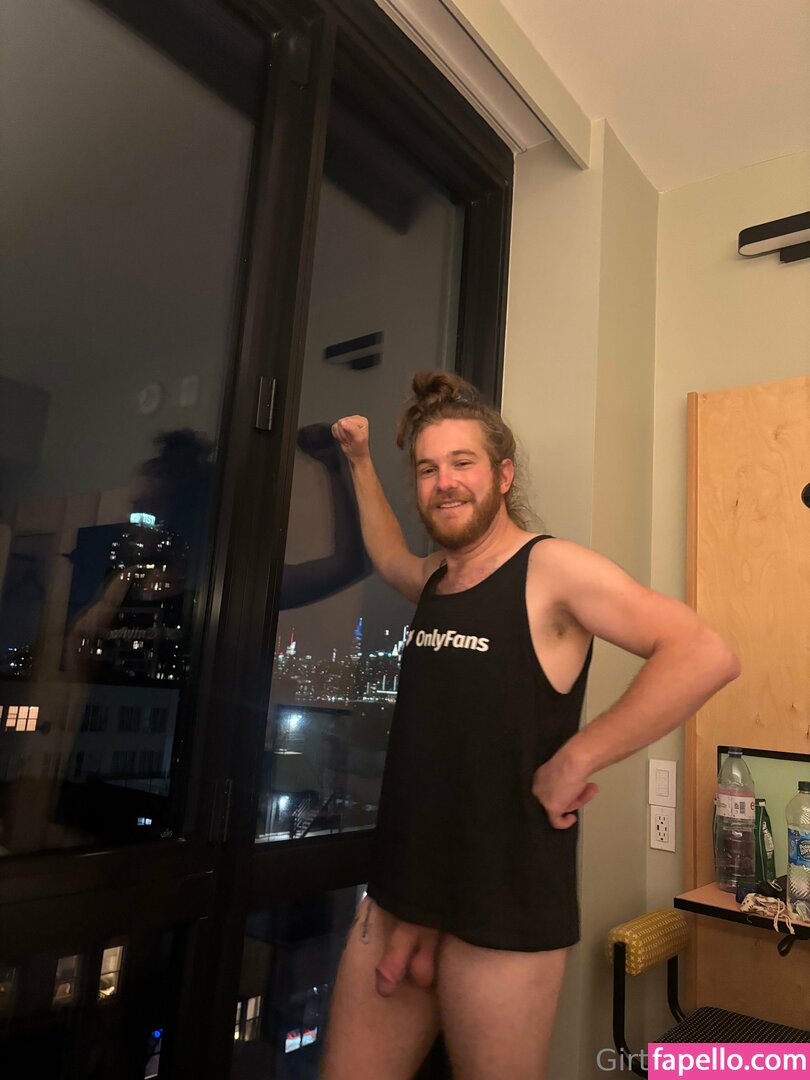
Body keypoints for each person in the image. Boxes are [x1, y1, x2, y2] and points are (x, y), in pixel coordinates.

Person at [320, 372, 740, 1080]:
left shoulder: (549, 568)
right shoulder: (435, 578)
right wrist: (360, 461)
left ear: (503, 475)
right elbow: (389, 554)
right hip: (400, 897)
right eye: (427, 469)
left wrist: (578, 757)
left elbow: (703, 652)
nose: (444, 483)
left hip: (503, 911)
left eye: (463, 463)